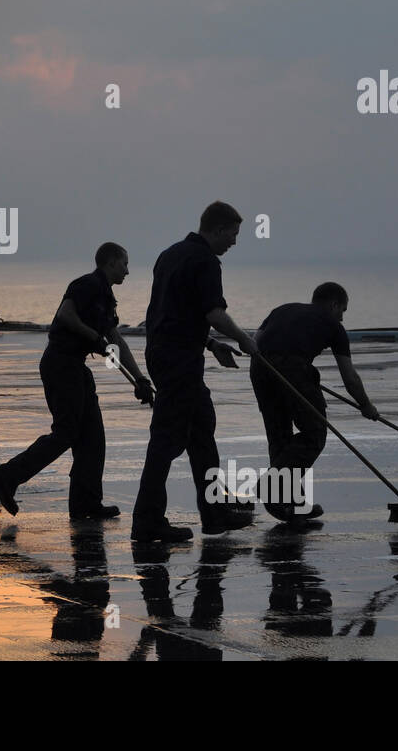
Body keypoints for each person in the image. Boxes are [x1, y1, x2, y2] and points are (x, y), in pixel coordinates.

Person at [0, 243, 152, 520]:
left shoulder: (106, 297)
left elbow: (115, 340)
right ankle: (8, 475)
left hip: (76, 367)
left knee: (93, 438)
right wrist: (91, 336)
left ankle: (85, 504)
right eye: (124, 263)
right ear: (111, 262)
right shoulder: (86, 285)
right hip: (60, 364)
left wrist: (140, 379)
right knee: (66, 432)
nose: (127, 270)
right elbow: (65, 315)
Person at [131, 201, 259, 542]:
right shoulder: (205, 261)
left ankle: (214, 513)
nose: (233, 241)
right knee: (167, 438)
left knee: (202, 431)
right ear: (216, 230)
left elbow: (176, 311)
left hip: (164, 352)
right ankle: (147, 521)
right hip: (179, 361)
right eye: (232, 234)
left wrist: (212, 344)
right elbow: (214, 313)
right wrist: (247, 339)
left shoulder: (169, 255)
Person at [250, 282, 379, 522]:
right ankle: (273, 483)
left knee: (280, 436)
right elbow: (349, 377)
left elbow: (254, 343)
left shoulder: (282, 309)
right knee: (315, 433)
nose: (342, 317)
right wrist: (366, 405)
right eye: (343, 310)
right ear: (334, 304)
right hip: (293, 368)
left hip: (260, 367)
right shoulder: (334, 327)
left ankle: (290, 503)